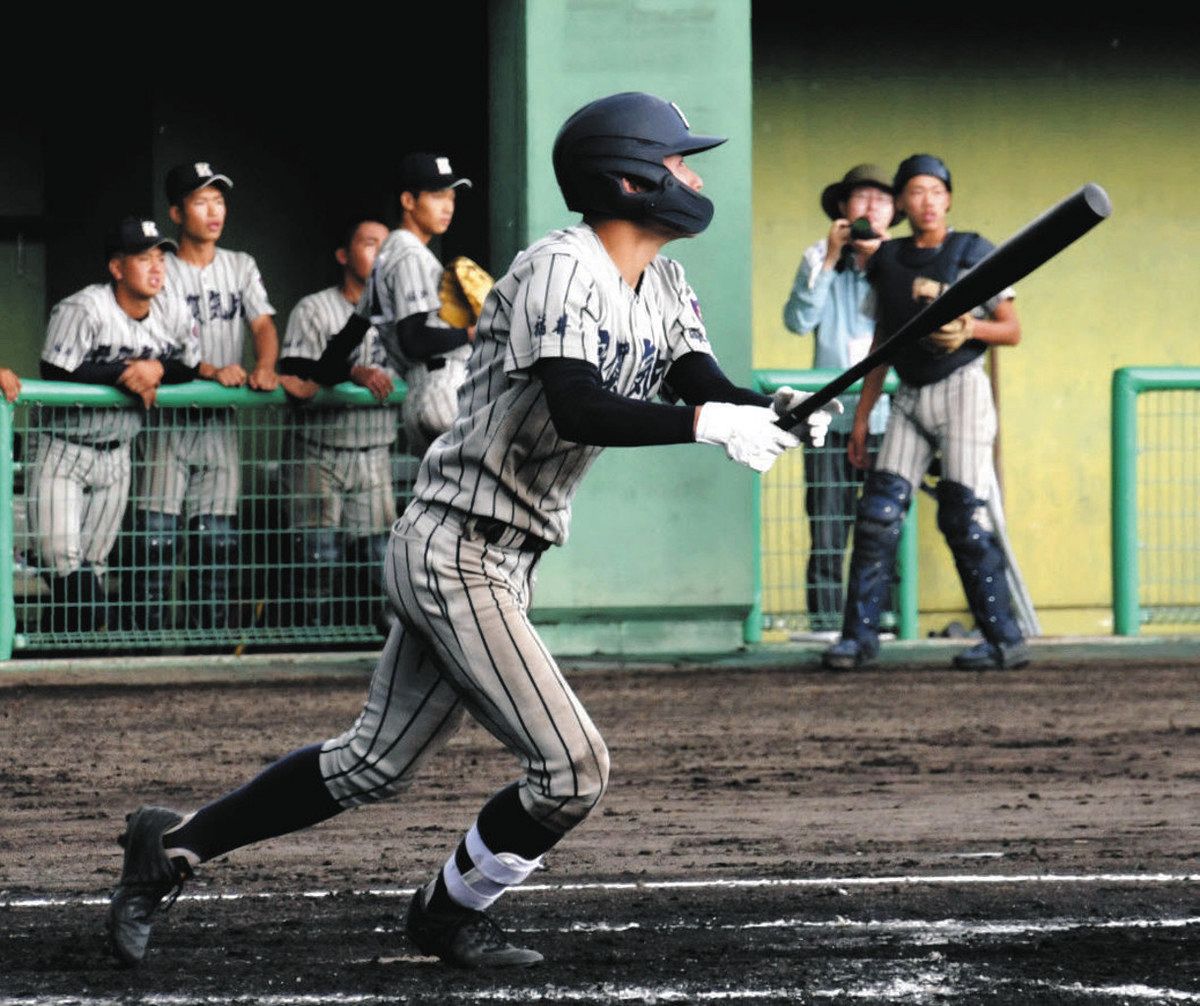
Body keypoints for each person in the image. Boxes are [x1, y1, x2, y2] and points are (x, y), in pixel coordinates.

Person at [105, 91, 835, 971]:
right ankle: (449, 911)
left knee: (371, 765)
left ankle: (171, 846)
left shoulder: (665, 280)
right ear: (630, 179)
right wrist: (706, 426)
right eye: (679, 161)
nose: (695, 175)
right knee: (573, 771)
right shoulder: (561, 267)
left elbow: (698, 377)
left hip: (497, 555)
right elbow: (575, 405)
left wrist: (777, 407)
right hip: (456, 547)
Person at [822, 154, 1030, 671]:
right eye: (915, 191)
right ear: (902, 202)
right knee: (877, 515)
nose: (927, 201)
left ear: (949, 198)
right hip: (909, 395)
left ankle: (1003, 639)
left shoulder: (972, 250)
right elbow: (881, 340)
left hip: (961, 390)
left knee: (962, 515)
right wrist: (866, 413)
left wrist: (970, 329)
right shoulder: (887, 259)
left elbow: (1012, 328)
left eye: (936, 191)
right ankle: (857, 639)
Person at [29, 217, 198, 634]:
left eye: (161, 257)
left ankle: (67, 660)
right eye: (144, 258)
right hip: (64, 448)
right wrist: (124, 372)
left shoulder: (172, 309)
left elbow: (189, 364)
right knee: (64, 562)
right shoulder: (85, 307)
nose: (157, 267)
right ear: (117, 268)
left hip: (118, 452)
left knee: (94, 568)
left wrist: (155, 367)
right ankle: (91, 637)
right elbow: (54, 369)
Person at [135, 162, 279, 632]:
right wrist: (211, 370)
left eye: (218, 200)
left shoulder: (241, 265)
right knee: (155, 543)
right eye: (201, 201)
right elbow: (155, 340)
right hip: (167, 425)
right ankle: (147, 642)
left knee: (215, 543)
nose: (213, 210)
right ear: (177, 212)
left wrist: (264, 366)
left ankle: (208, 644)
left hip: (219, 425)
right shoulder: (162, 267)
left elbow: (261, 324)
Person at [782, 164, 895, 631]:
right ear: (844, 209)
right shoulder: (818, 256)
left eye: (881, 200)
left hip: (888, 414)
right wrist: (830, 259)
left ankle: (884, 617)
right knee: (827, 522)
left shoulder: (900, 259)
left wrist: (881, 262)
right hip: (831, 415)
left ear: (893, 212)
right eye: (861, 198)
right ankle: (827, 619)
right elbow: (798, 321)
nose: (870, 207)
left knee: (886, 520)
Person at [276, 218, 399, 630]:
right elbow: (294, 369)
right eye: (368, 244)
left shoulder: (402, 316)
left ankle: (379, 653)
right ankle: (313, 646)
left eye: (385, 246)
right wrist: (353, 372)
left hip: (374, 450)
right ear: (344, 255)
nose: (379, 254)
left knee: (379, 563)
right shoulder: (314, 309)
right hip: (318, 450)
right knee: (316, 560)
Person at [365, 152, 475, 457]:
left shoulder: (386, 255)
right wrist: (470, 333)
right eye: (437, 196)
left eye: (451, 197)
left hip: (423, 391)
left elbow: (351, 331)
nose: (447, 207)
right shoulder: (409, 253)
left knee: (443, 500)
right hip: (441, 388)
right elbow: (414, 340)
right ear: (408, 201)